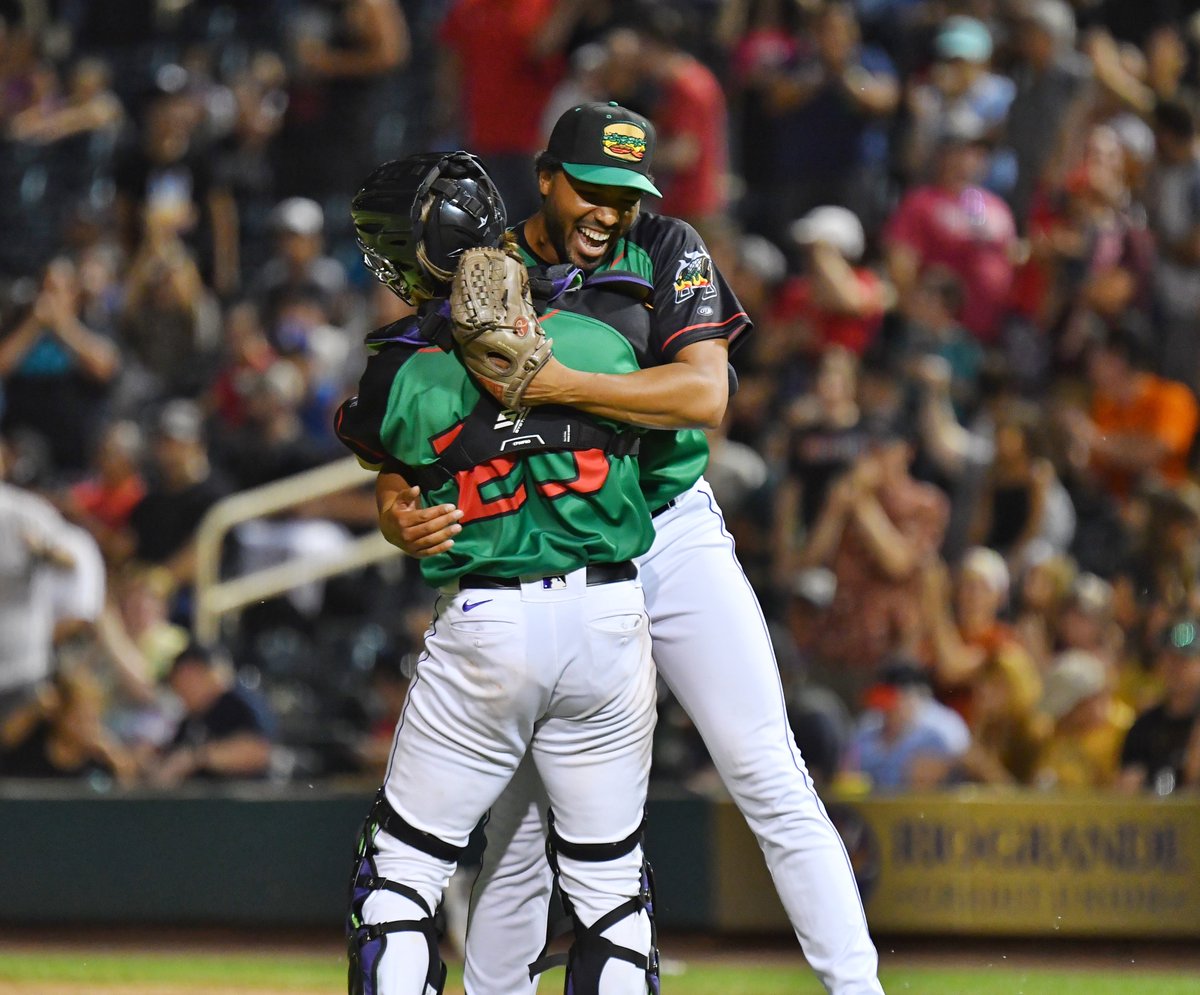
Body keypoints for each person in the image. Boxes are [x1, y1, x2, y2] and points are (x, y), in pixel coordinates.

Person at [369, 103, 884, 994]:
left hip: (668, 528)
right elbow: (397, 426)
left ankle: (855, 986)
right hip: (548, 547)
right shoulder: (491, 262)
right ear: (546, 177)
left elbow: (702, 396)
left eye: (627, 193)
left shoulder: (669, 246)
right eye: (593, 190)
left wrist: (558, 382)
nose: (610, 211)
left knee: (765, 765)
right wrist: (391, 505)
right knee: (525, 822)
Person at [335, 151, 660, 995]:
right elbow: (669, 467)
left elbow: (380, 441)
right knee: (610, 891)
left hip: (490, 622)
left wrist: (403, 500)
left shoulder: (401, 374)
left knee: (403, 875)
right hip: (613, 616)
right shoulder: (606, 342)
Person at [144, 642, 275, 787]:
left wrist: (197, 758)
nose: (178, 689)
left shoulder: (237, 702)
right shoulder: (192, 717)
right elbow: (171, 758)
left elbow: (259, 752)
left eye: (183, 679)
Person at [1116, 616, 1200, 794]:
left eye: (1184, 660)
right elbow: (1125, 785)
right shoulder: (1144, 727)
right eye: (1167, 658)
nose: (1174, 667)